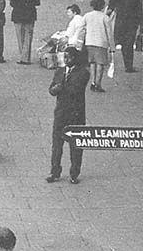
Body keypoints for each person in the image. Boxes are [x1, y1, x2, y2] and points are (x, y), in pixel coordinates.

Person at [46, 47, 90, 184]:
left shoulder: (83, 73)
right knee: (56, 144)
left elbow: (75, 89)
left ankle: (74, 173)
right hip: (61, 113)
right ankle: (54, 171)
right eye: (64, 57)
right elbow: (51, 88)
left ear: (75, 58)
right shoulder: (59, 72)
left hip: (75, 114)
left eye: (69, 57)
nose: (66, 60)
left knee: (75, 146)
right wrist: (54, 89)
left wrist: (60, 88)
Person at [108, 0, 143, 72]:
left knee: (123, 41)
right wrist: (141, 23)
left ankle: (123, 60)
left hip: (120, 19)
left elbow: (111, 6)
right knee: (129, 41)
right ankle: (128, 65)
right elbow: (139, 8)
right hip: (132, 20)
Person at [83, 0, 115, 92]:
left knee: (92, 63)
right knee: (100, 63)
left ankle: (92, 82)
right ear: (102, 6)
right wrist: (112, 47)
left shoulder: (87, 16)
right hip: (101, 42)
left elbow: (82, 27)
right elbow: (109, 33)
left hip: (90, 42)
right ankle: (98, 83)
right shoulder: (105, 17)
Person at [10, 0, 40, 65]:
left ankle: (22, 56)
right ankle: (26, 57)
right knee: (28, 36)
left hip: (18, 15)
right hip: (30, 14)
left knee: (20, 36)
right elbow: (37, 2)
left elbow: (12, 3)